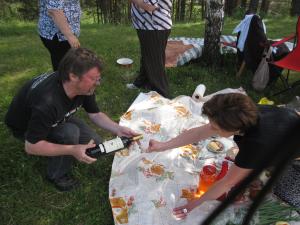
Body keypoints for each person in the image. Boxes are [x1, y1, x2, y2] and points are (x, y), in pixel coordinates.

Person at [146, 93, 300, 219]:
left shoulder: (256, 145)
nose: (210, 128)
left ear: (235, 128)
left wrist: (192, 205)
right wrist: (162, 146)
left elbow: (226, 183)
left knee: (287, 195)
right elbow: (199, 132)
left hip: (292, 150)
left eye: (215, 127)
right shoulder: (247, 112)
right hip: (288, 127)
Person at [5, 48, 138, 192]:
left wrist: (118, 129)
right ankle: (57, 174)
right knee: (69, 133)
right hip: (25, 129)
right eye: (93, 79)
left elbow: (95, 114)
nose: (97, 83)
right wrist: (73, 149)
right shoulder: (47, 102)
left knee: (97, 146)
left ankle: (65, 146)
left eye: (98, 78)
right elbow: (31, 147)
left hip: (57, 118)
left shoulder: (84, 88)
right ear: (74, 76)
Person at [126, 0, 172, 98]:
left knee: (154, 61)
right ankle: (142, 82)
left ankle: (161, 94)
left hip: (154, 26)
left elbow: (150, 6)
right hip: (147, 25)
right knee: (147, 55)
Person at [38, 0, 81, 71]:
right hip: (58, 35)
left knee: (64, 63)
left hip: (63, 34)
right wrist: (70, 36)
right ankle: (61, 81)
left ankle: (62, 79)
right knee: (64, 66)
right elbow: (54, 10)